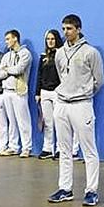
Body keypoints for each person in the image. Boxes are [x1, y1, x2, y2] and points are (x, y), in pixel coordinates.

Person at [47, 14, 104, 206]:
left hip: (82, 105)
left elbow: (99, 81)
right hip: (62, 104)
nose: (65, 32)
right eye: (63, 29)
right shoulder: (60, 53)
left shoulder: (91, 52)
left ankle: (91, 190)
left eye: (69, 29)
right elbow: (62, 75)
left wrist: (84, 92)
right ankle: (65, 188)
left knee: (89, 150)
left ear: (78, 29)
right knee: (64, 150)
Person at [0, 29, 33, 157]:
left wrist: (7, 69)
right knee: (12, 121)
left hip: (19, 91)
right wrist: (7, 70)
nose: (6, 42)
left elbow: (19, 69)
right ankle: (13, 146)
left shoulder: (25, 53)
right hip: (6, 91)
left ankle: (26, 147)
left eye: (8, 39)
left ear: (15, 39)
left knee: (23, 121)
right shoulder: (7, 55)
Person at [35, 30, 63, 159]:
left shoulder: (61, 54)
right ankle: (47, 148)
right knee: (47, 122)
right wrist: (37, 92)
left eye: (52, 39)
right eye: (48, 39)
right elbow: (39, 75)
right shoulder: (43, 56)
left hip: (57, 92)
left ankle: (60, 148)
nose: (50, 41)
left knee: (59, 121)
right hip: (44, 92)